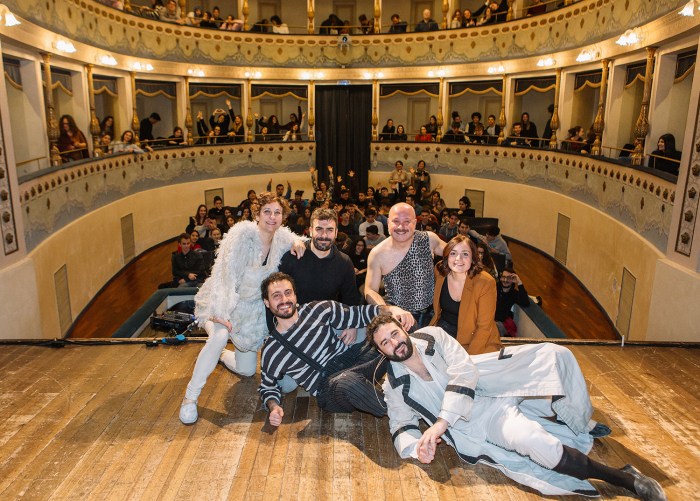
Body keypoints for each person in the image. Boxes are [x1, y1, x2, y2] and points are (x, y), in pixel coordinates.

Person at [367, 316, 665, 500]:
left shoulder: (434, 336)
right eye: (385, 343)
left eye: (394, 334)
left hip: (490, 404)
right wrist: (416, 448)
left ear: (403, 329)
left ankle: (625, 478)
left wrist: (441, 423)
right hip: (469, 432)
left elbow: (464, 371)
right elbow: (401, 425)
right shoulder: (393, 384)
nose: (394, 343)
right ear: (381, 352)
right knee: (532, 454)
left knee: (535, 441)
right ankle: (623, 474)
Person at [179, 193, 305, 425]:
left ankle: (220, 356)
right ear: (257, 214)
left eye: (277, 212)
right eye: (267, 211)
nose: (272, 217)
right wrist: (221, 313)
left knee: (247, 370)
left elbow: (295, 238)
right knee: (219, 336)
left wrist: (298, 242)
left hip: (251, 312)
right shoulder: (241, 236)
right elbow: (224, 276)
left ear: (283, 217)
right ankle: (190, 398)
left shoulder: (281, 238)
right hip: (221, 300)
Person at [259, 273, 412, 427]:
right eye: (276, 296)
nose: (284, 299)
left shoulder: (317, 310)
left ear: (295, 295)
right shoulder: (272, 349)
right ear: (267, 302)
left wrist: (392, 310)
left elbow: (359, 314)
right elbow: (267, 387)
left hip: (354, 360)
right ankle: (404, 412)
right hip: (330, 388)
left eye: (288, 293)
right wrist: (274, 407)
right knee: (348, 381)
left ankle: (418, 383)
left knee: (402, 329)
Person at [365, 203, 446, 329]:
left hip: (432, 314)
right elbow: (370, 290)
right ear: (388, 223)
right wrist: (388, 309)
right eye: (396, 221)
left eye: (407, 221)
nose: (401, 227)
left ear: (415, 222)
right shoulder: (377, 253)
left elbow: (454, 252)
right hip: (399, 317)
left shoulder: (428, 239)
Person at [430, 235, 502, 353]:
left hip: (474, 338)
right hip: (444, 331)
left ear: (473, 258)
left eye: (465, 254)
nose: (458, 258)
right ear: (447, 256)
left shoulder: (485, 282)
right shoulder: (440, 271)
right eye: (453, 253)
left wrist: (469, 358)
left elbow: (484, 327)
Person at [495, 266, 530, 336]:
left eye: (509, 278)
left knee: (494, 328)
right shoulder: (494, 287)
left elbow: (525, 302)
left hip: (500, 324)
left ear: (513, 280)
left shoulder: (513, 294)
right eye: (503, 277)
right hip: (488, 320)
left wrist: (519, 282)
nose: (505, 280)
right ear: (501, 278)